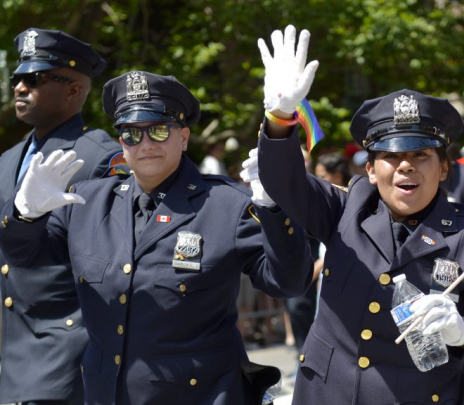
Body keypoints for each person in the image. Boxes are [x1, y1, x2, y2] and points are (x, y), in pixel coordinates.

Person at [246, 25, 464, 404]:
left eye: (420, 156)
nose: (405, 168)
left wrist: (462, 331)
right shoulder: (345, 207)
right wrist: (281, 117)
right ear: (370, 169)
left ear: (444, 168)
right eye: (391, 157)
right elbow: (285, 181)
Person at [0, 70, 314, 404]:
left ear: (184, 137)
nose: (145, 144)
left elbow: (288, 283)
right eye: (132, 134)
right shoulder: (87, 202)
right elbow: (26, 258)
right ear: (121, 143)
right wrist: (24, 214)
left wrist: (275, 211)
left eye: (159, 130)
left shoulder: (225, 204)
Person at [0, 28, 122, 405]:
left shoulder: (101, 157)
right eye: (17, 79)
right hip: (11, 349)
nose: (20, 87)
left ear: (73, 91)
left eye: (35, 79)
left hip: (65, 351)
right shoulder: (7, 160)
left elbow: (113, 261)